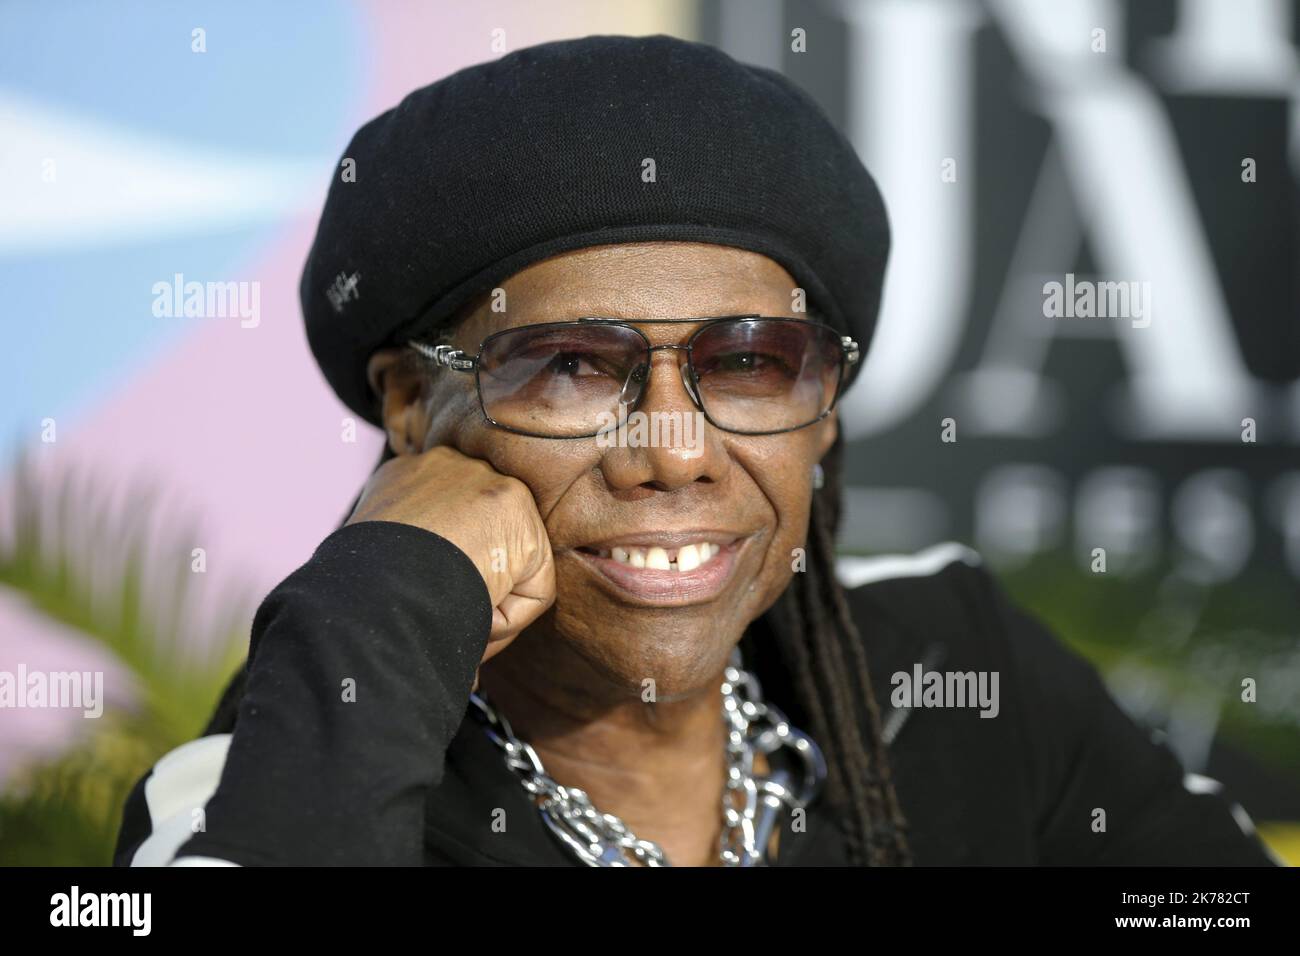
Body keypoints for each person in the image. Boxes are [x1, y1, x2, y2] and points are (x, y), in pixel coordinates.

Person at [113, 34, 1275, 867]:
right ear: (415, 403)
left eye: (749, 362)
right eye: (569, 363)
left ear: (824, 409)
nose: (674, 453)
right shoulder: (265, 774)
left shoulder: (947, 669)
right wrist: (385, 591)